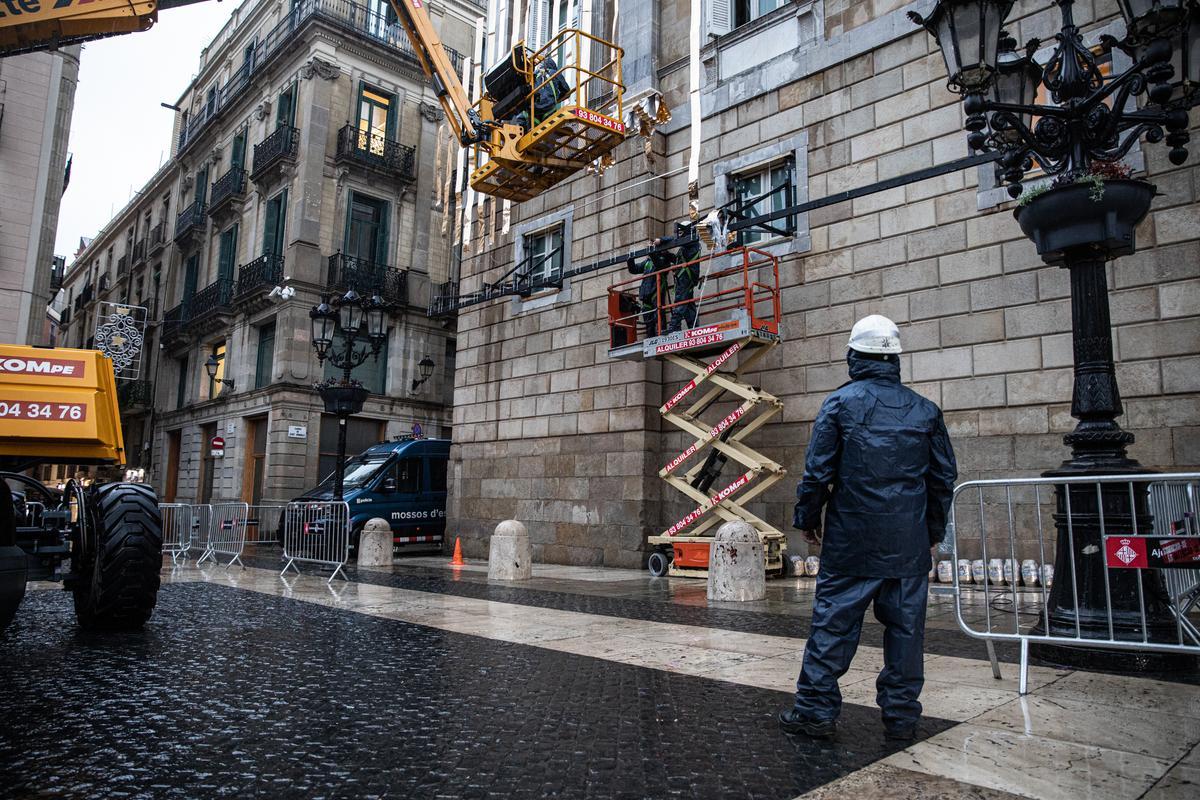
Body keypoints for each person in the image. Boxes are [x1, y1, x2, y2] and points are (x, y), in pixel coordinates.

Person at [779, 315, 957, 742]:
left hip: (852, 540)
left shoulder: (839, 404)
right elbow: (942, 478)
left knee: (833, 626)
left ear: (854, 357)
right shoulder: (926, 410)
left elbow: (817, 473)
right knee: (907, 632)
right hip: (907, 543)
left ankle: (815, 712)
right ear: (895, 359)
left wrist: (807, 519)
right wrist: (933, 533)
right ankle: (901, 717)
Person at [626, 239, 674, 339]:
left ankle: (661, 334)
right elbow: (634, 269)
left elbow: (659, 265)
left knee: (659, 315)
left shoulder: (665, 259)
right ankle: (650, 337)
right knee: (648, 320)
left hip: (655, 292)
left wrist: (651, 251)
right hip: (646, 294)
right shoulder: (648, 262)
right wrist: (630, 259)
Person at [666, 221, 702, 333]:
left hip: (686, 278)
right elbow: (677, 259)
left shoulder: (691, 243)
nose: (679, 235)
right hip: (685, 278)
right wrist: (665, 254)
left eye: (681, 232)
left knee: (680, 301)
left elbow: (676, 241)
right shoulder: (686, 247)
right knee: (688, 304)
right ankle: (694, 327)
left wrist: (662, 241)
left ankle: (673, 327)